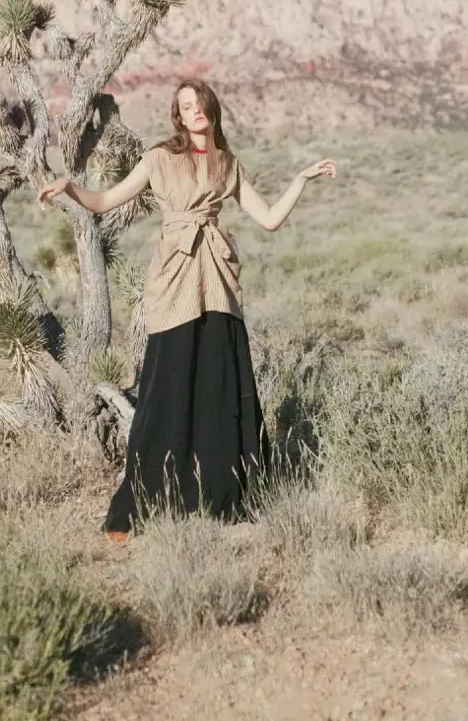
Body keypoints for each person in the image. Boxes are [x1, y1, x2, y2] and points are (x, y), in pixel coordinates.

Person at [37, 79, 336, 540]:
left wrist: (300, 179)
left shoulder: (227, 165)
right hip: (175, 279)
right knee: (165, 393)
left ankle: (223, 500)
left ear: (212, 108)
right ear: (178, 116)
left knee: (221, 388)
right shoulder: (159, 158)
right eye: (185, 106)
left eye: (199, 103)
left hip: (217, 282)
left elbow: (271, 219)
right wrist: (69, 188)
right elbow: (106, 200)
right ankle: (135, 508)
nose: (194, 111)